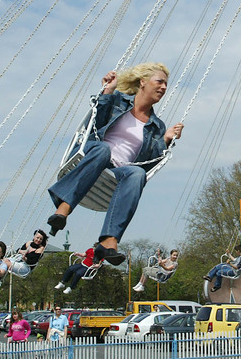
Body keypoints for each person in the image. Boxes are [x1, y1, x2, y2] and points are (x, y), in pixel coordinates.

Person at [45, 63, 184, 266]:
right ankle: (64, 208)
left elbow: (147, 163)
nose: (164, 87)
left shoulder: (157, 126)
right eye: (159, 81)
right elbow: (93, 124)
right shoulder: (118, 100)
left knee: (137, 173)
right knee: (104, 150)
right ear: (143, 82)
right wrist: (107, 92)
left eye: (166, 84)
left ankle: (109, 239)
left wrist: (166, 140)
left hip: (118, 171)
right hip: (93, 154)